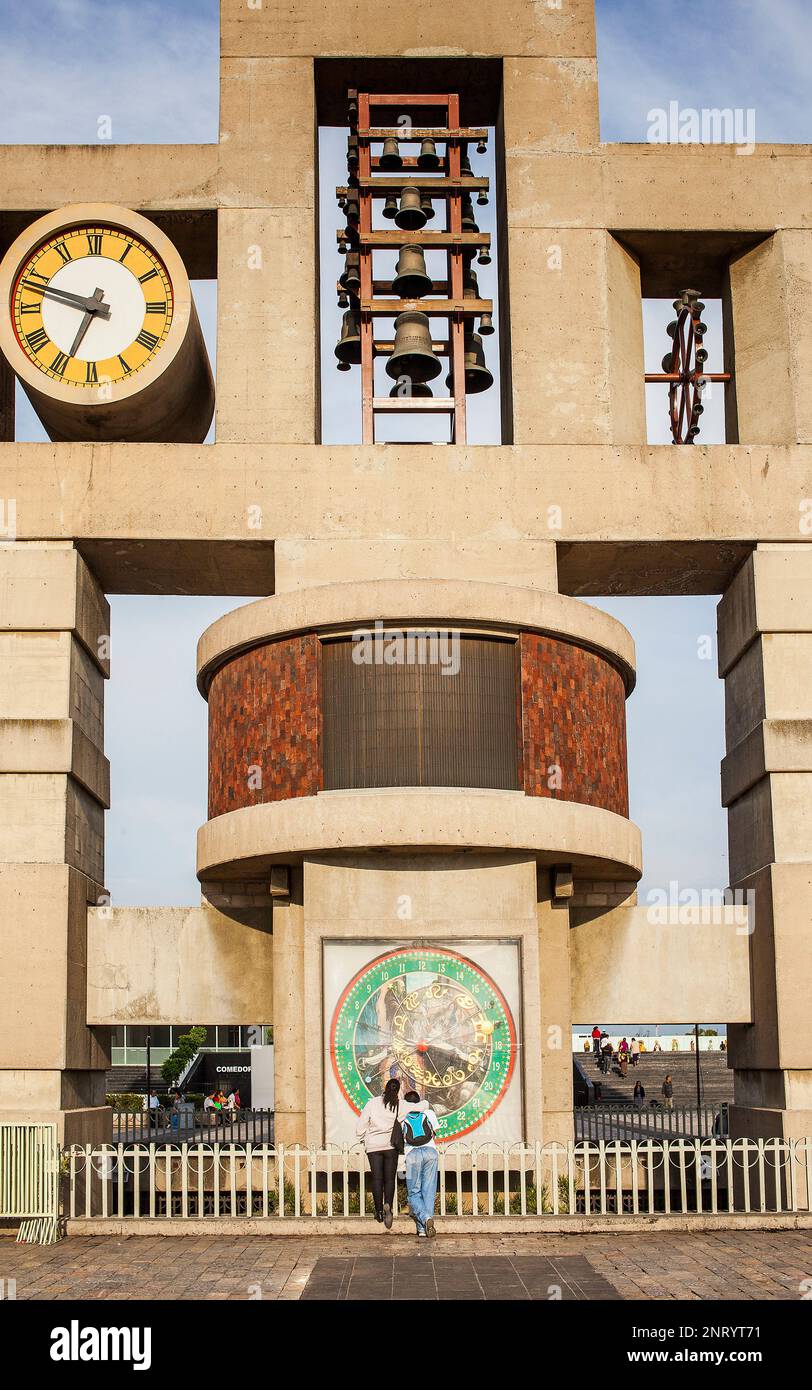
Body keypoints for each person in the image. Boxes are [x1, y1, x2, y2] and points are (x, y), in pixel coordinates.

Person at [356, 1077, 404, 1228]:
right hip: (390, 1146)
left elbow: (361, 1126)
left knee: (377, 1179)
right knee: (389, 1179)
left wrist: (363, 1136)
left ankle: (378, 1211)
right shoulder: (400, 1105)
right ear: (398, 1089)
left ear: (385, 1087)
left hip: (373, 1147)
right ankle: (388, 1204)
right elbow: (422, 1105)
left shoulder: (373, 1103)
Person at [401, 1089, 440, 1239]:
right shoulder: (428, 1113)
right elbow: (435, 1132)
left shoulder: (402, 1115)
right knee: (428, 1192)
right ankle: (423, 1227)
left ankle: (424, 1221)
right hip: (431, 1153)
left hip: (412, 1156)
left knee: (413, 1193)